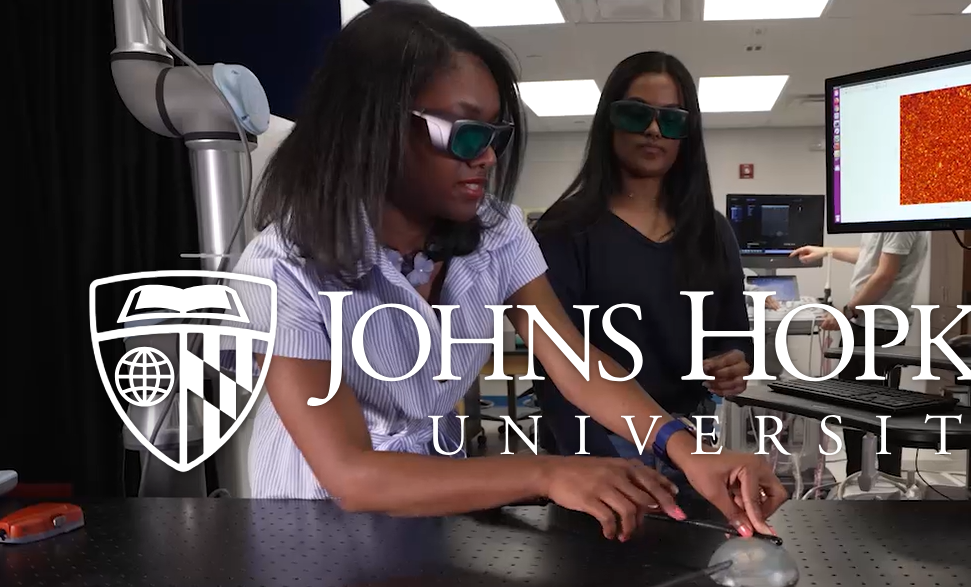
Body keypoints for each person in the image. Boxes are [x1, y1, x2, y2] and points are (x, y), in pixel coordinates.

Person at [220, 3, 786, 542]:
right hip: (311, 527)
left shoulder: (496, 231)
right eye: (464, 130)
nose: (487, 155)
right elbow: (351, 475)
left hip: (432, 508)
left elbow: (574, 362)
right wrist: (546, 472)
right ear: (372, 127)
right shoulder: (281, 269)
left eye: (493, 134)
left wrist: (684, 446)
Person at [531, 52, 756, 492]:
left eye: (671, 119)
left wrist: (733, 364)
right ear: (609, 122)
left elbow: (734, 338)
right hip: (598, 449)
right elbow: (558, 369)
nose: (654, 129)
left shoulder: (711, 231)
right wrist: (599, 465)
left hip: (692, 441)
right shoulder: (564, 231)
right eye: (637, 114)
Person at [789, 232, 928, 477]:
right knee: (853, 409)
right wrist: (828, 251)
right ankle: (856, 479)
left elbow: (884, 275)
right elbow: (870, 255)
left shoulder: (900, 223)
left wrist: (848, 311)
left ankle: (887, 481)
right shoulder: (882, 222)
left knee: (879, 411)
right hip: (864, 323)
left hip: (880, 327)